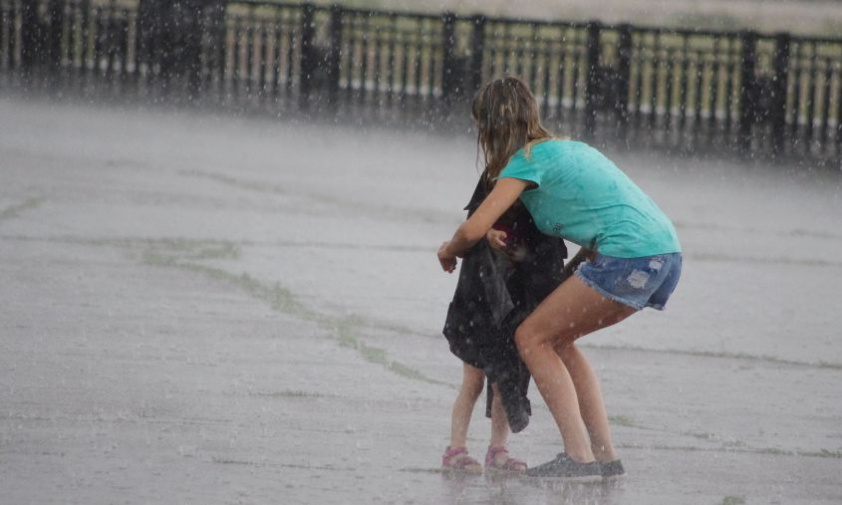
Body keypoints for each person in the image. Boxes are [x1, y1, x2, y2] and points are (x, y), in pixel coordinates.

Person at [437, 76, 682, 480]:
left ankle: (578, 457)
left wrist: (448, 251)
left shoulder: (525, 162)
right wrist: (568, 279)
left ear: (489, 128)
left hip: (630, 256)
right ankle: (604, 457)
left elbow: (473, 229)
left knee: (530, 337)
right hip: (664, 256)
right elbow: (601, 222)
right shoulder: (571, 150)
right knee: (560, 339)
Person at [442, 178, 568, 474]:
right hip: (480, 300)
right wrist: (488, 234)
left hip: (512, 302)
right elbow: (470, 226)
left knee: (504, 380)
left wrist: (524, 255)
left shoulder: (536, 196)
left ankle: (498, 450)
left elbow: (543, 249)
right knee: (472, 381)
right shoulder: (494, 183)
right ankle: (455, 449)